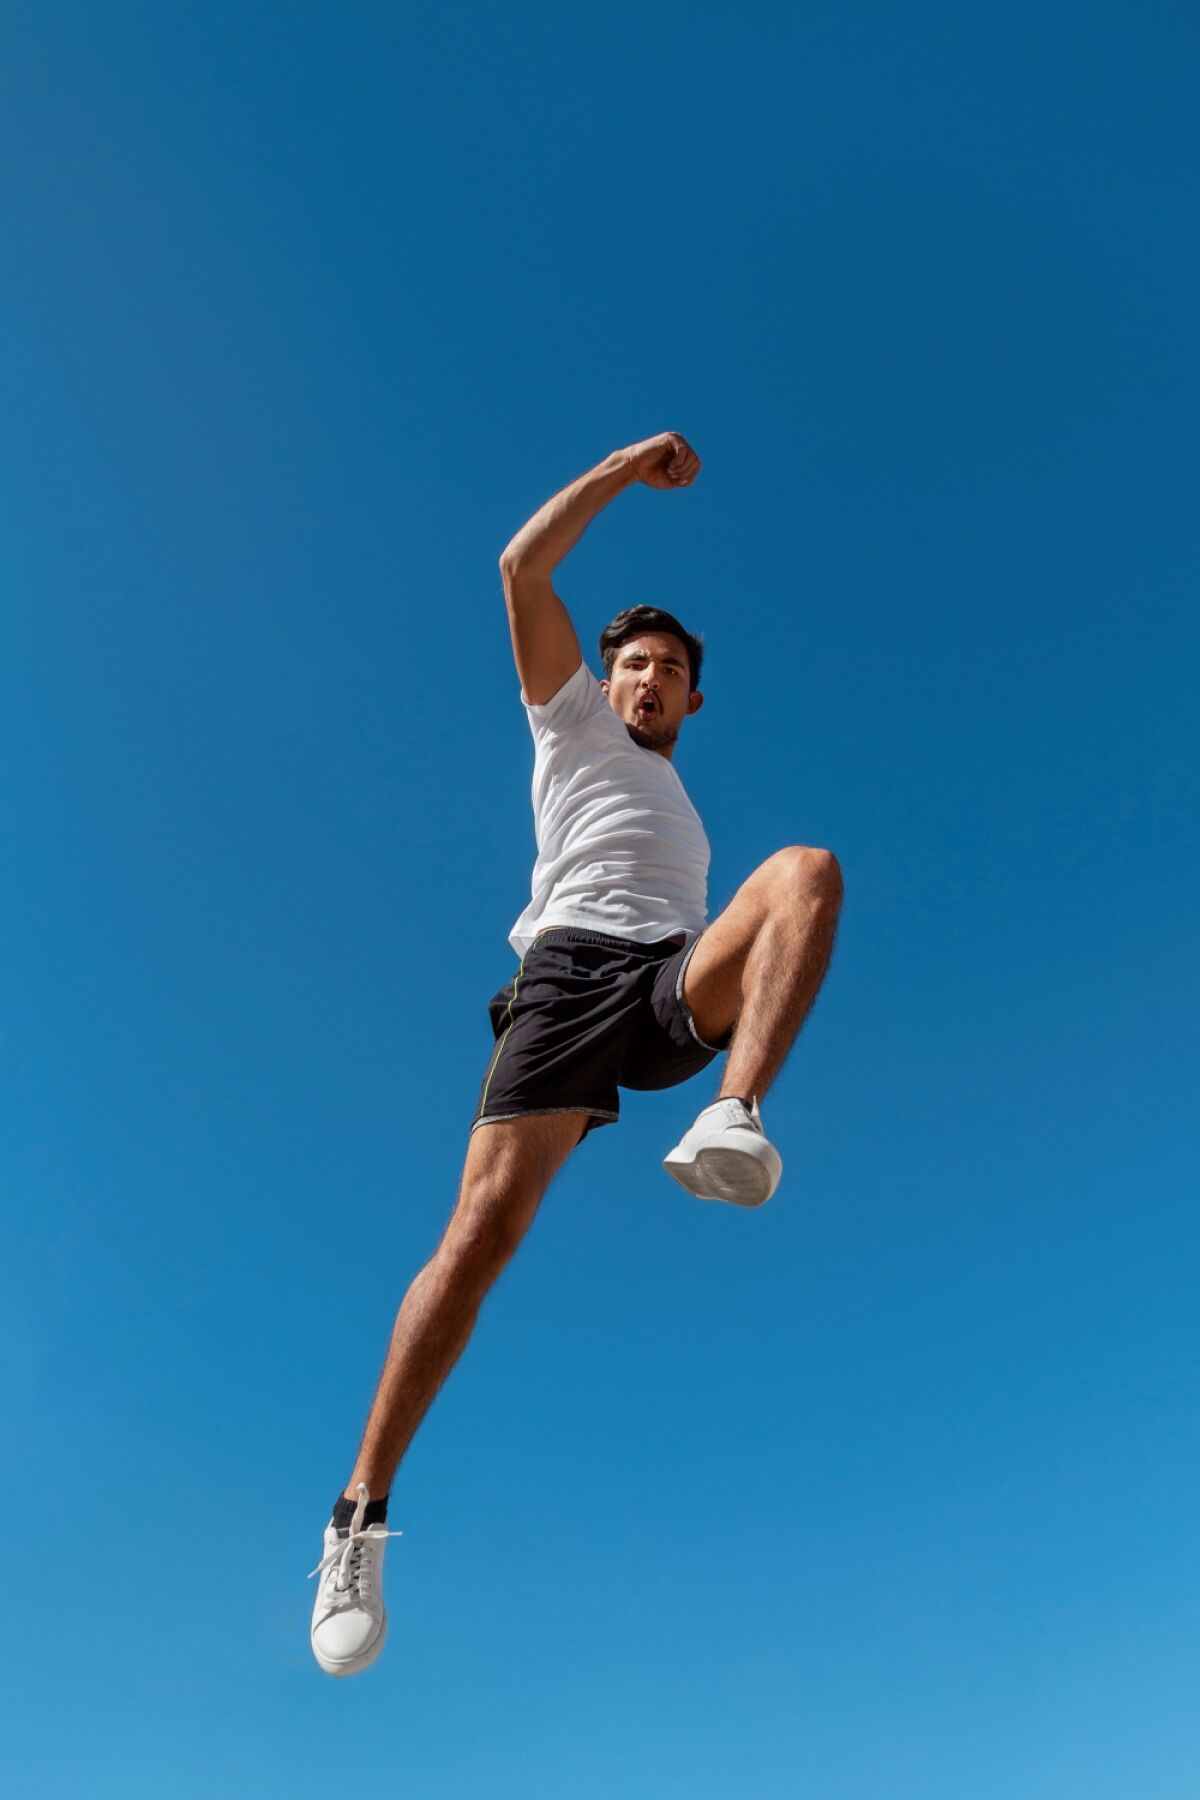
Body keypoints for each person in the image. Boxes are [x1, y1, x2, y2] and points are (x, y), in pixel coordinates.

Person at [309, 431, 843, 1676]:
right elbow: (519, 567)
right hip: (564, 977)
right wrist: (619, 471)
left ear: (694, 701)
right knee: (482, 1237)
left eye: (669, 672)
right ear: (606, 684)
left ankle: (734, 1111)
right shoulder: (569, 728)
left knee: (804, 872)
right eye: (635, 665)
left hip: (664, 983)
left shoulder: (689, 810)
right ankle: (359, 1515)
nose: (649, 681)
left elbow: (758, 909)